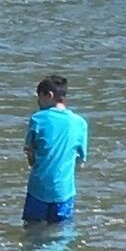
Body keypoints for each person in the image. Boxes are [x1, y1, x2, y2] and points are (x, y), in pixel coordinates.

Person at [24, 73, 88, 227]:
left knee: (32, 230)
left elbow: (31, 157)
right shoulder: (80, 123)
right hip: (63, 191)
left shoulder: (37, 118)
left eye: (39, 97)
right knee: (62, 231)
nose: (38, 102)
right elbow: (80, 163)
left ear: (49, 95)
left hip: (38, 189)